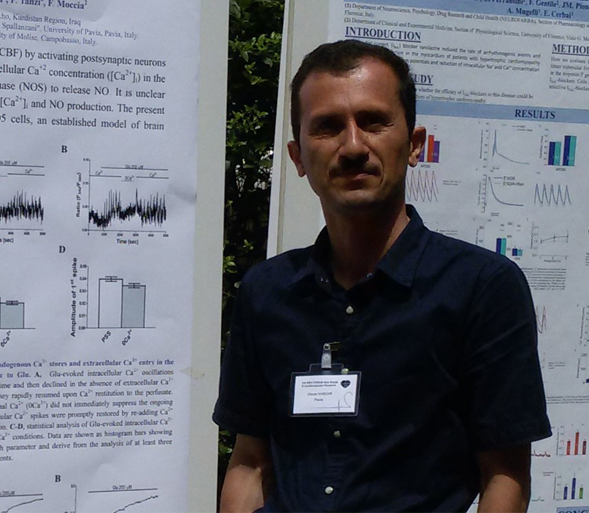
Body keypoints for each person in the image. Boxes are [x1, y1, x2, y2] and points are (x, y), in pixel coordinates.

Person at [213, 39, 550, 512]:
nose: (353, 146)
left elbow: (505, 476)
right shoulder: (266, 292)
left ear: (414, 144)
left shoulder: (482, 288)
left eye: (373, 121)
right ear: (298, 157)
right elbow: (250, 463)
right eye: (328, 127)